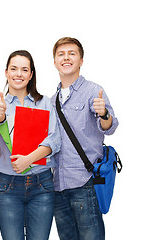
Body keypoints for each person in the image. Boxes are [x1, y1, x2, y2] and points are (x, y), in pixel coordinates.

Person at [51, 37, 119, 240]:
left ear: (81, 60)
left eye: (72, 53)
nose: (66, 58)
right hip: (58, 185)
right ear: (55, 61)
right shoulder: (52, 98)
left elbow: (110, 127)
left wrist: (104, 113)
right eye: (61, 54)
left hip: (85, 183)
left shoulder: (92, 91)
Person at [0, 50, 61, 240]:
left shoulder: (44, 103)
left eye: (24, 70)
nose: (18, 74)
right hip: (8, 187)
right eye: (13, 69)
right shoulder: (0, 105)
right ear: (6, 72)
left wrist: (28, 159)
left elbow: (54, 140)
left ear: (31, 75)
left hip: (42, 184)